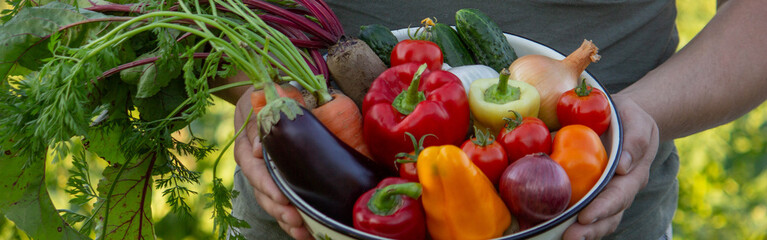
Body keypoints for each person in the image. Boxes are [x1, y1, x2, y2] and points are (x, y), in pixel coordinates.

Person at [226, 0, 767, 239]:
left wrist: (634, 117)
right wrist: (262, 96)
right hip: (314, 217)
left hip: (600, 210)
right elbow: (207, 16)